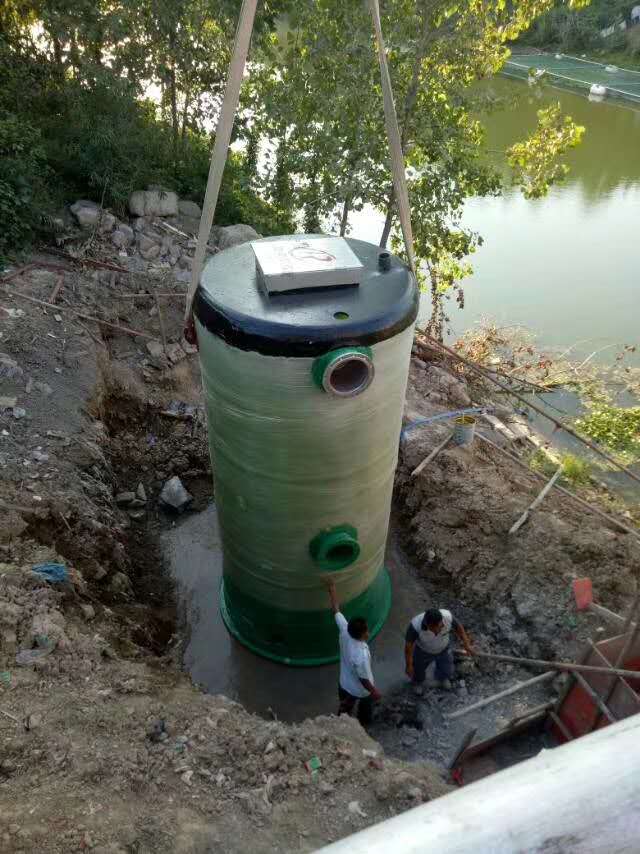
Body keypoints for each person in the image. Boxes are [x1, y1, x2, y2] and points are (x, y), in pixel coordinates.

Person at [326, 579, 381, 726]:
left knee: (344, 710)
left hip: (344, 684)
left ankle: (341, 726)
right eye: (366, 631)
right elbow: (363, 679)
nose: (368, 632)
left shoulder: (345, 630)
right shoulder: (360, 655)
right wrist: (374, 691)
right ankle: (363, 729)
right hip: (361, 691)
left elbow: (336, 609)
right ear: (362, 635)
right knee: (365, 711)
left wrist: (331, 588)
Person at [404, 607, 474, 694]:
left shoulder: (447, 617)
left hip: (444, 649)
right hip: (423, 651)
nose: (438, 631)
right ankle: (417, 683)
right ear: (427, 624)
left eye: (440, 627)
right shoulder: (415, 626)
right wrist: (409, 665)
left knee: (447, 669)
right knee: (418, 670)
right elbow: (408, 647)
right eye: (434, 628)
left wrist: (467, 645)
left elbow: (459, 628)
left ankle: (442, 678)